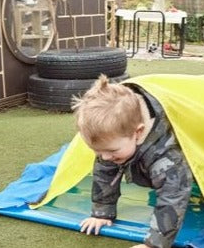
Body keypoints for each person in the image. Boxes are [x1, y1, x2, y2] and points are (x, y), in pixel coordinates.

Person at [72, 74, 193, 248]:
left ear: (138, 132)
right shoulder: (112, 142)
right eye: (97, 150)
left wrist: (154, 244)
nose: (104, 156)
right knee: (108, 161)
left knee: (174, 177)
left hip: (191, 146)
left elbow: (173, 195)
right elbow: (104, 174)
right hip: (138, 146)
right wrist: (102, 213)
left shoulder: (165, 155)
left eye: (112, 150)